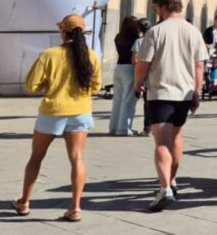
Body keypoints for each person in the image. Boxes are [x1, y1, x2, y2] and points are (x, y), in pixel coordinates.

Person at [13, 14, 102, 223]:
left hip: (52, 111)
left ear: (63, 31)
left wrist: (49, 86)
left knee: (36, 157)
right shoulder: (91, 55)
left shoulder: (50, 55)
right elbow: (96, 87)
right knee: (77, 158)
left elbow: (31, 85)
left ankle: (24, 201)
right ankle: (76, 208)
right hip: (80, 111)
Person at [135, 0, 209, 212]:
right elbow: (199, 66)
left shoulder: (156, 32)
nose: (156, 12)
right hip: (185, 93)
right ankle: (173, 181)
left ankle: (165, 187)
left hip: (161, 92)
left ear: (165, 6)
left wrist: (137, 82)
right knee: (176, 136)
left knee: (161, 142)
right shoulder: (193, 31)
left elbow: (144, 62)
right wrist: (197, 92)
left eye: (157, 8)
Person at [110, 16, 142, 136]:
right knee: (128, 100)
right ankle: (124, 128)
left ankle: (114, 127)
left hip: (118, 67)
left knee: (117, 99)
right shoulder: (136, 38)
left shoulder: (118, 37)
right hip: (129, 68)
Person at [132, 18, 152, 136]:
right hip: (154, 74)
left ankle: (147, 128)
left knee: (147, 102)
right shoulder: (154, 40)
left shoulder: (139, 42)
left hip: (143, 75)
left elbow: (134, 59)